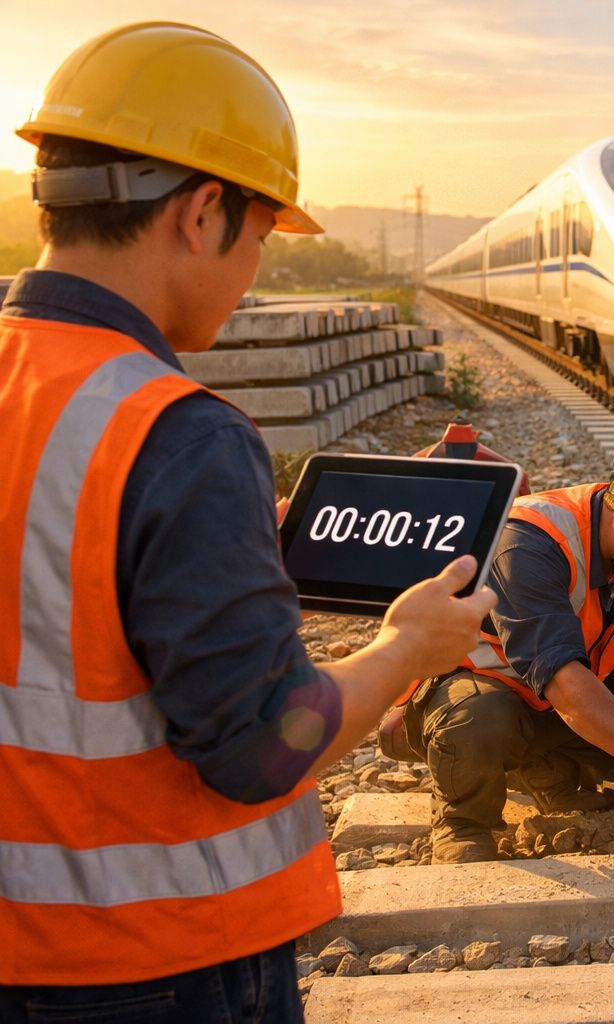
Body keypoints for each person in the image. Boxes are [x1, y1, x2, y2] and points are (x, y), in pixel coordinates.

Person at [0, 23, 494, 1022]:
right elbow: (264, 746)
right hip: (154, 962)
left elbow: (53, 583)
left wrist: (216, 556)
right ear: (203, 211)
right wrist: (406, 649)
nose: (257, 265)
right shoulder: (175, 434)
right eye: (263, 232)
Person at [406, 432, 614, 863]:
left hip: (554, 700)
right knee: (480, 716)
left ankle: (551, 775)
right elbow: (561, 678)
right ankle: (463, 822)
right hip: (472, 693)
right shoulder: (527, 541)